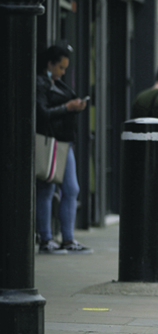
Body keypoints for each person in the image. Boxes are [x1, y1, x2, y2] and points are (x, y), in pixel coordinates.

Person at [36, 45, 92, 254]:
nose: (62, 72)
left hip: (63, 143)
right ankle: (46, 238)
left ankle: (67, 239)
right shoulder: (41, 83)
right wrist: (67, 108)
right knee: (47, 188)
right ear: (49, 64)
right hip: (50, 142)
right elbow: (41, 113)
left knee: (71, 188)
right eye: (60, 67)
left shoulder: (55, 83)